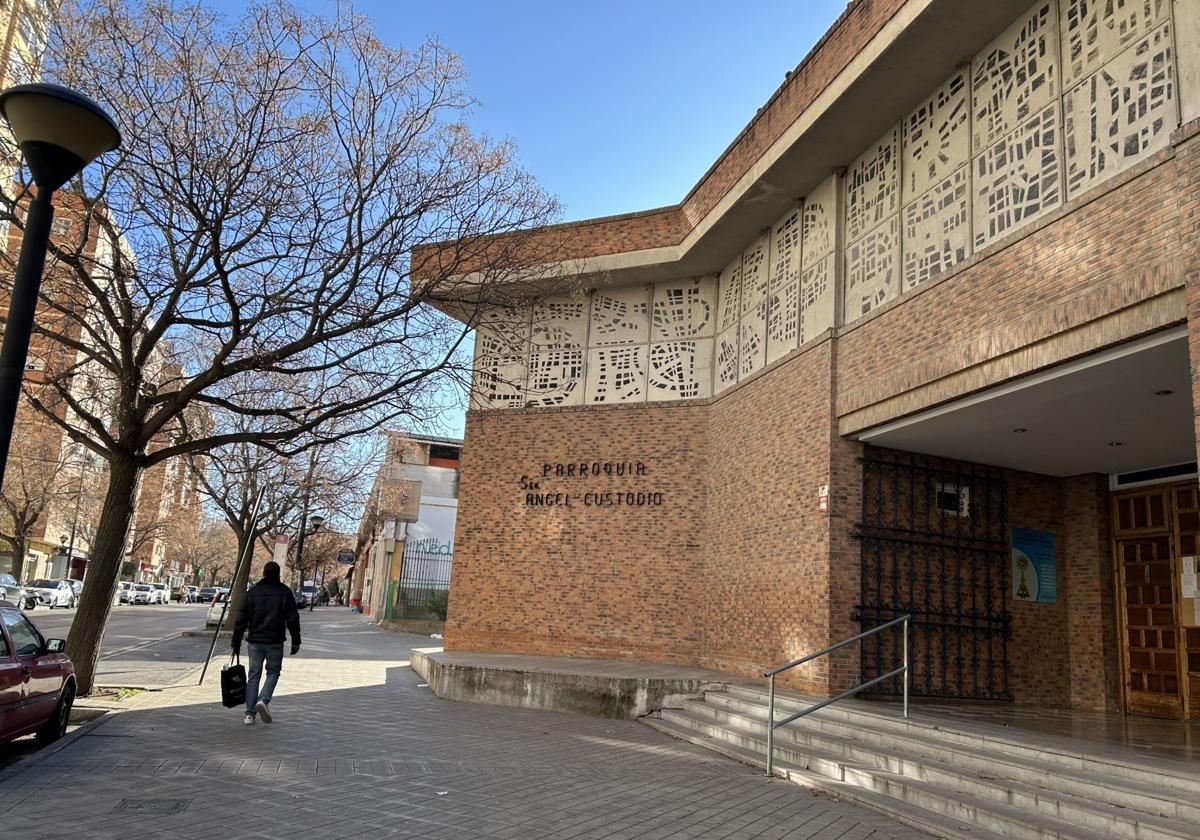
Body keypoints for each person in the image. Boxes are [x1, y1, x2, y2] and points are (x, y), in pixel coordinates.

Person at [232, 561, 301, 725]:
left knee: (254, 674)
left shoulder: (252, 592)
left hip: (255, 640)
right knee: (273, 672)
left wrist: (236, 641)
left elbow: (241, 618)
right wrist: (296, 641)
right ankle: (263, 699)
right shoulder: (284, 592)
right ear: (278, 574)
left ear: (263, 573)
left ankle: (249, 714)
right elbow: (293, 619)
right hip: (275, 640)